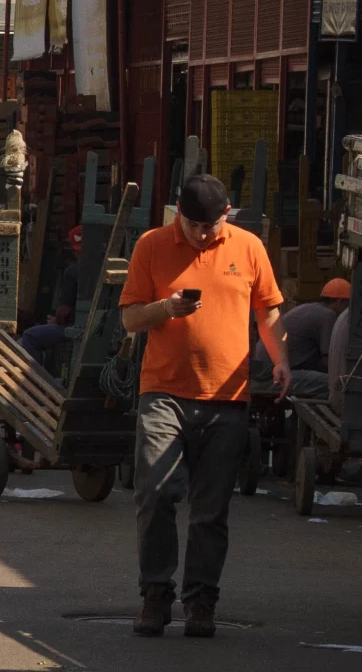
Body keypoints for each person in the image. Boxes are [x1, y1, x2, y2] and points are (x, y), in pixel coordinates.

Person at [119, 174, 288, 639]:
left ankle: (201, 601)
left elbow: (268, 310)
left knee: (211, 510)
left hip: (226, 398)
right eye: (192, 224)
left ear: (227, 212)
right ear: (178, 213)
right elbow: (130, 316)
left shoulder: (249, 247)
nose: (201, 234)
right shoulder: (152, 246)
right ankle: (156, 594)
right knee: (154, 494)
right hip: (164, 393)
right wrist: (165, 310)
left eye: (210, 224)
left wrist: (280, 361)